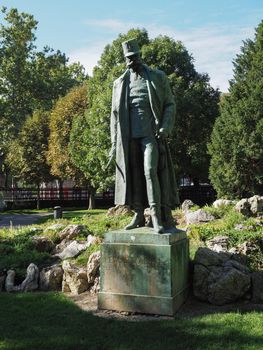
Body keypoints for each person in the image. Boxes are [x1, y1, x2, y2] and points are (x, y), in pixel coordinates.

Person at [108, 38, 179, 233]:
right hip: (128, 137)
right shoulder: (119, 83)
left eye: (135, 57)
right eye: (128, 58)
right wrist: (114, 143)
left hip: (151, 135)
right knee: (135, 175)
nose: (132, 61)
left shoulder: (156, 77)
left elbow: (170, 104)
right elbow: (114, 115)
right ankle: (139, 214)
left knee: (150, 171)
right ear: (124, 59)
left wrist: (165, 127)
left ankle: (156, 215)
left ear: (140, 56)